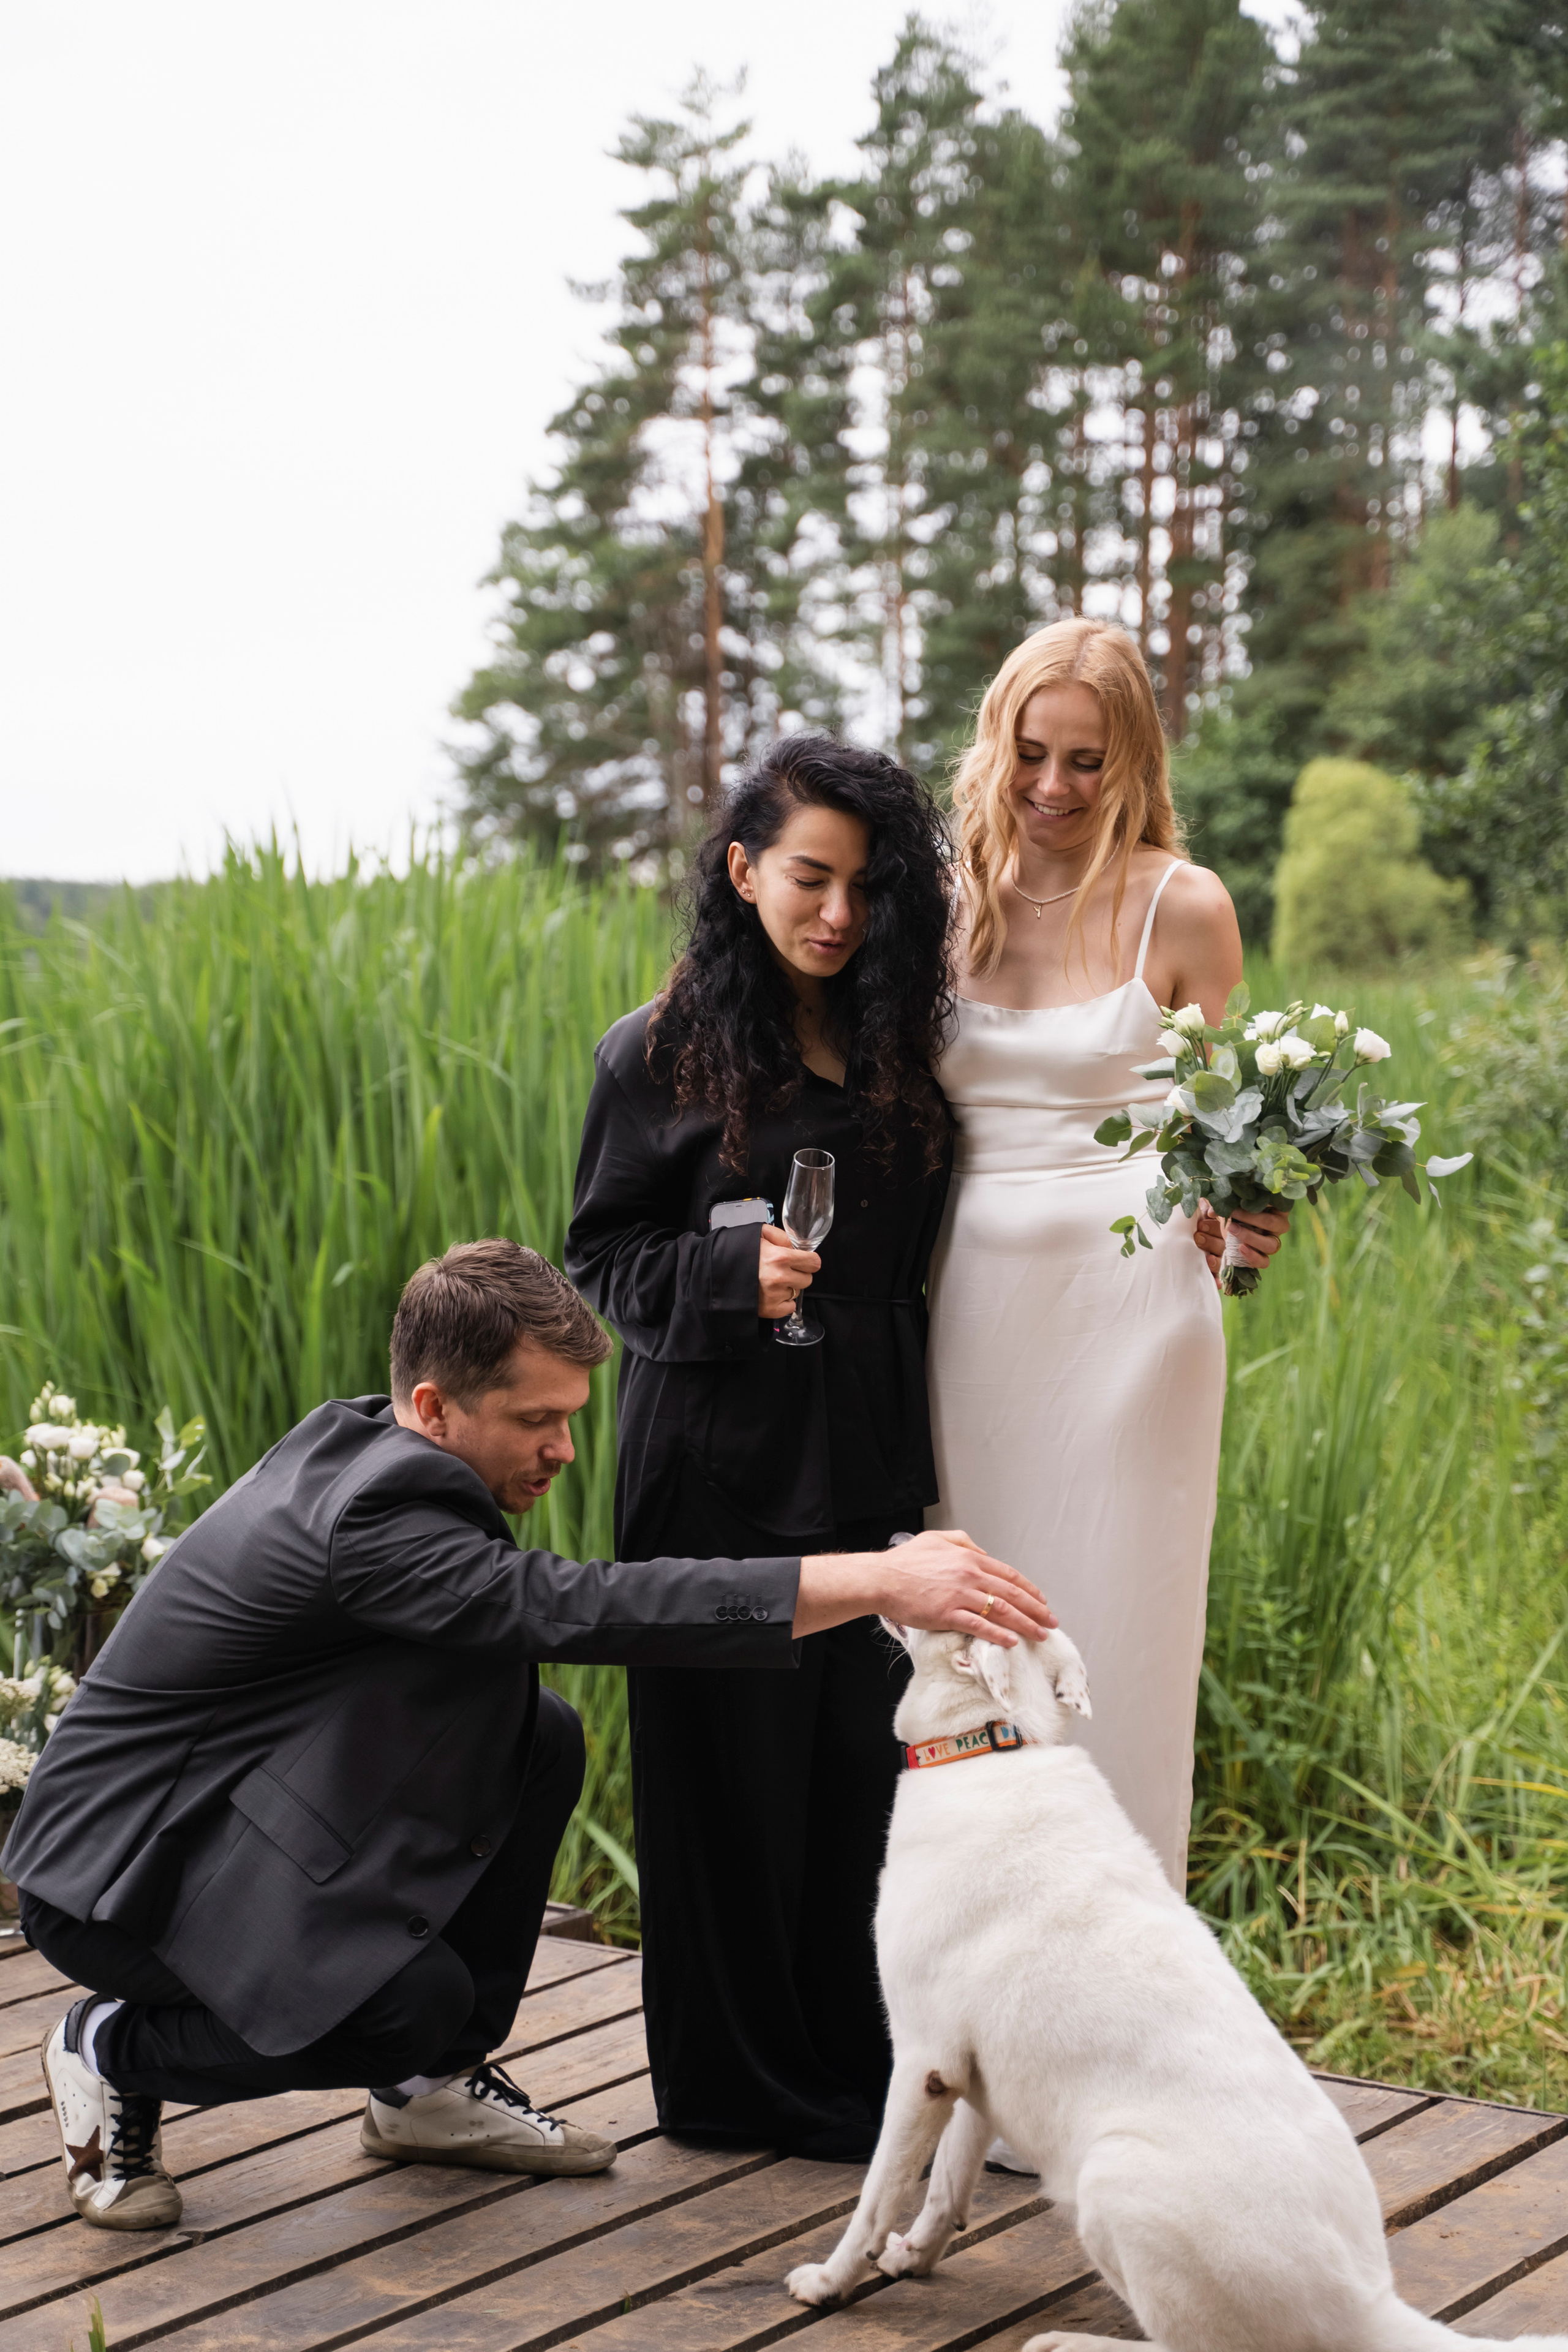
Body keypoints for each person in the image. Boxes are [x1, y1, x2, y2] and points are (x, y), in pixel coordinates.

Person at [3, 1237, 1051, 2232]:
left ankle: (425, 2093)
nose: (563, 1447)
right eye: (534, 1418)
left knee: (534, 1731)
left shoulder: (383, 1452)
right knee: (400, 2003)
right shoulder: (376, 1520)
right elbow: (581, 1607)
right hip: (120, 1876)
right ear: (432, 1405)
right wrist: (876, 1577)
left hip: (218, 1800)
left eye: (571, 1415)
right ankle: (111, 2044)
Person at [565, 734, 955, 2161]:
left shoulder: (897, 1042)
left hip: (859, 1448)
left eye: (862, 885)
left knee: (855, 1774)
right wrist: (726, 1283)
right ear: (741, 873)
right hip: (713, 1455)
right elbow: (601, 1259)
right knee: (727, 1779)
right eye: (808, 877)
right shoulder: (657, 1049)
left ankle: (855, 2072)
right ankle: (738, 2093)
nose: (836, 914)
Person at [926, 617, 1286, 1899]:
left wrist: (1245, 1239)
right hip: (970, 1316)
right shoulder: (942, 895)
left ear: (1130, 760)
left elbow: (1227, 1154)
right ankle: (970, 1988)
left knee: (1119, 1644)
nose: (1052, 789)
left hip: (1139, 1321)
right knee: (974, 1648)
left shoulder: (1180, 907)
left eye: (1086, 761)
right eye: (1030, 754)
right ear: (996, 747)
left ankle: (1121, 1987)